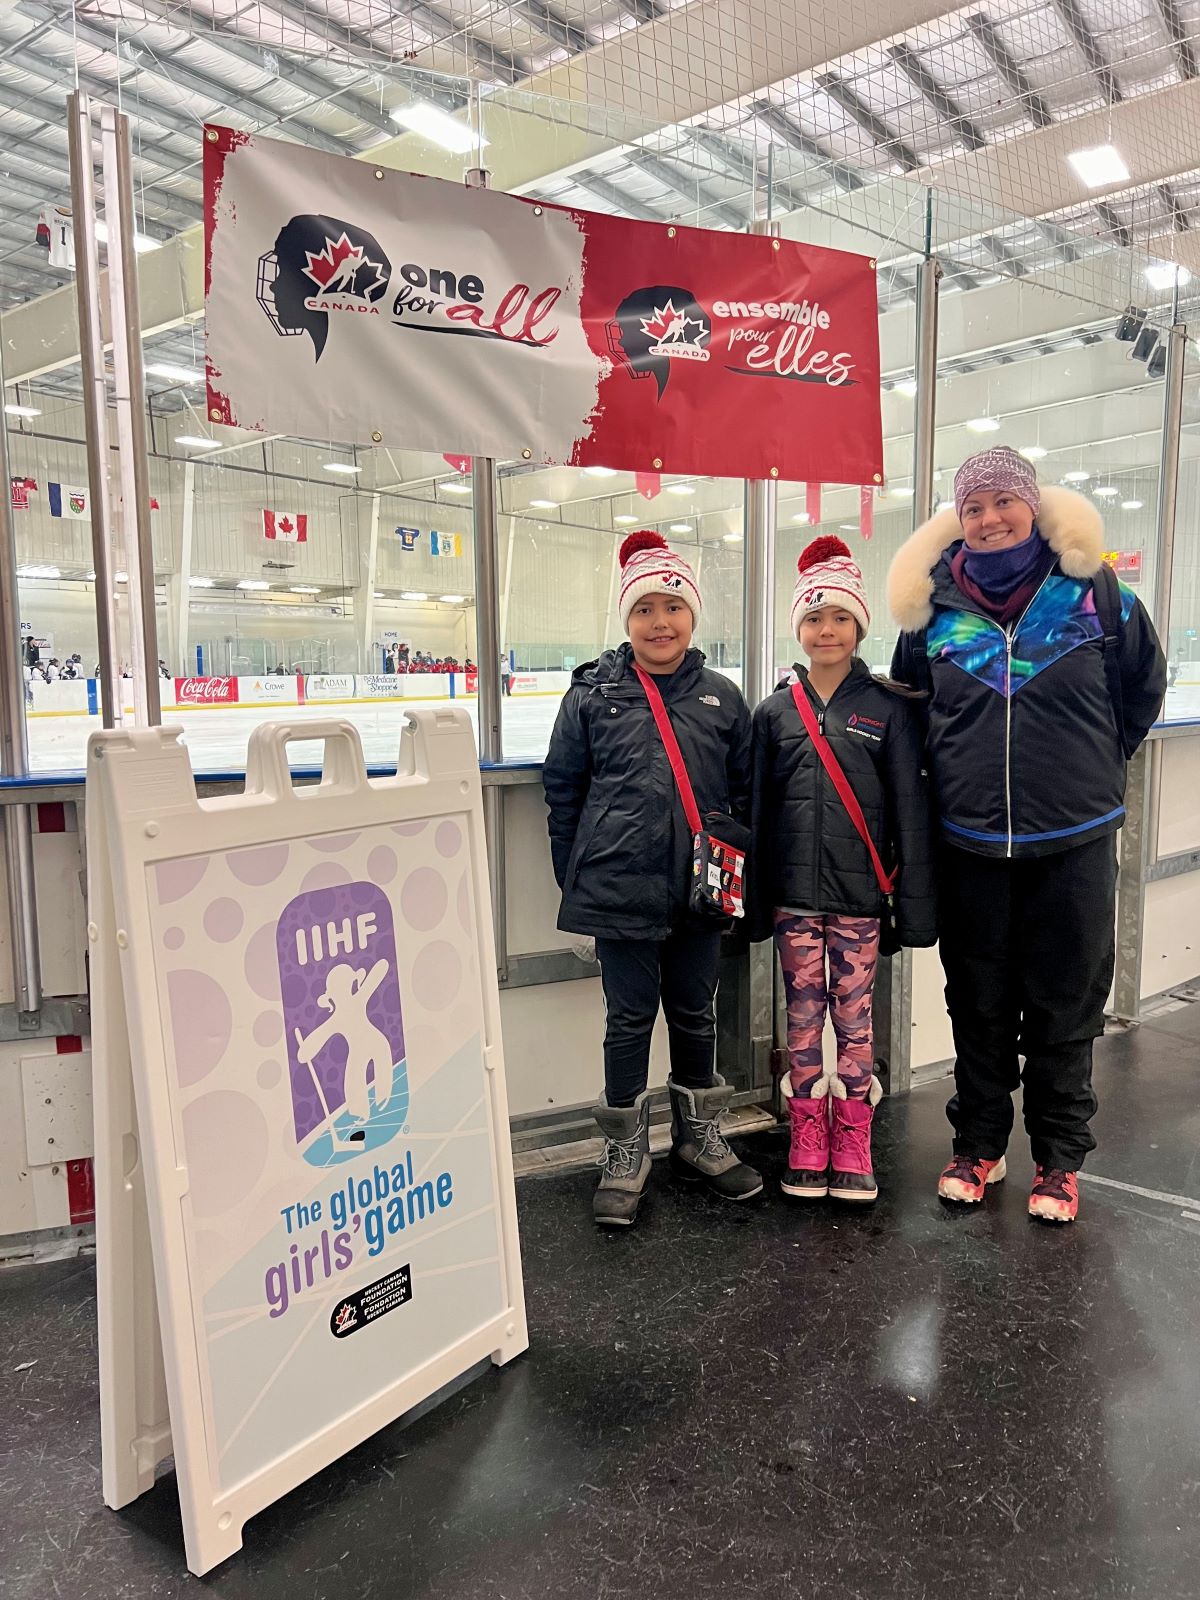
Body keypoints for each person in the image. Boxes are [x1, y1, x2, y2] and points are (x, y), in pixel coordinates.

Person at [888, 447, 1166, 1223]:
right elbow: (914, 713)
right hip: (970, 843)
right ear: (960, 521)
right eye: (974, 507)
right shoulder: (933, 609)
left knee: (1065, 1003)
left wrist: (1091, 767)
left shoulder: (1094, 593)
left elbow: (1141, 689)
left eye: (1004, 501)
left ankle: (1058, 1159)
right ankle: (978, 1145)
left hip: (1074, 841)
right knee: (978, 1003)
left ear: (1032, 506)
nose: (991, 519)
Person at [543, 529, 761, 1228]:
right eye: (644, 609)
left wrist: (733, 875)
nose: (659, 622)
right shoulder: (592, 695)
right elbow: (563, 793)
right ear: (626, 619)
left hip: (700, 892)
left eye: (672, 607)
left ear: (692, 616)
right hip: (619, 889)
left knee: (696, 1013)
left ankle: (699, 1137)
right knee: (629, 1018)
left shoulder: (723, 699)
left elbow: (744, 797)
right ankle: (625, 1151)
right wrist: (578, 881)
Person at [750, 537, 936, 1204]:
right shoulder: (773, 713)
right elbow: (758, 813)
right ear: (797, 628)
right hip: (794, 899)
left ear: (859, 626)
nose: (825, 630)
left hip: (860, 899)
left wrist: (914, 906)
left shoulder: (888, 708)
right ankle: (807, 1135)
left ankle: (853, 1138)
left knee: (855, 1022)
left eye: (839, 618)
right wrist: (753, 901)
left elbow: (910, 811)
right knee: (802, 1019)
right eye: (813, 618)